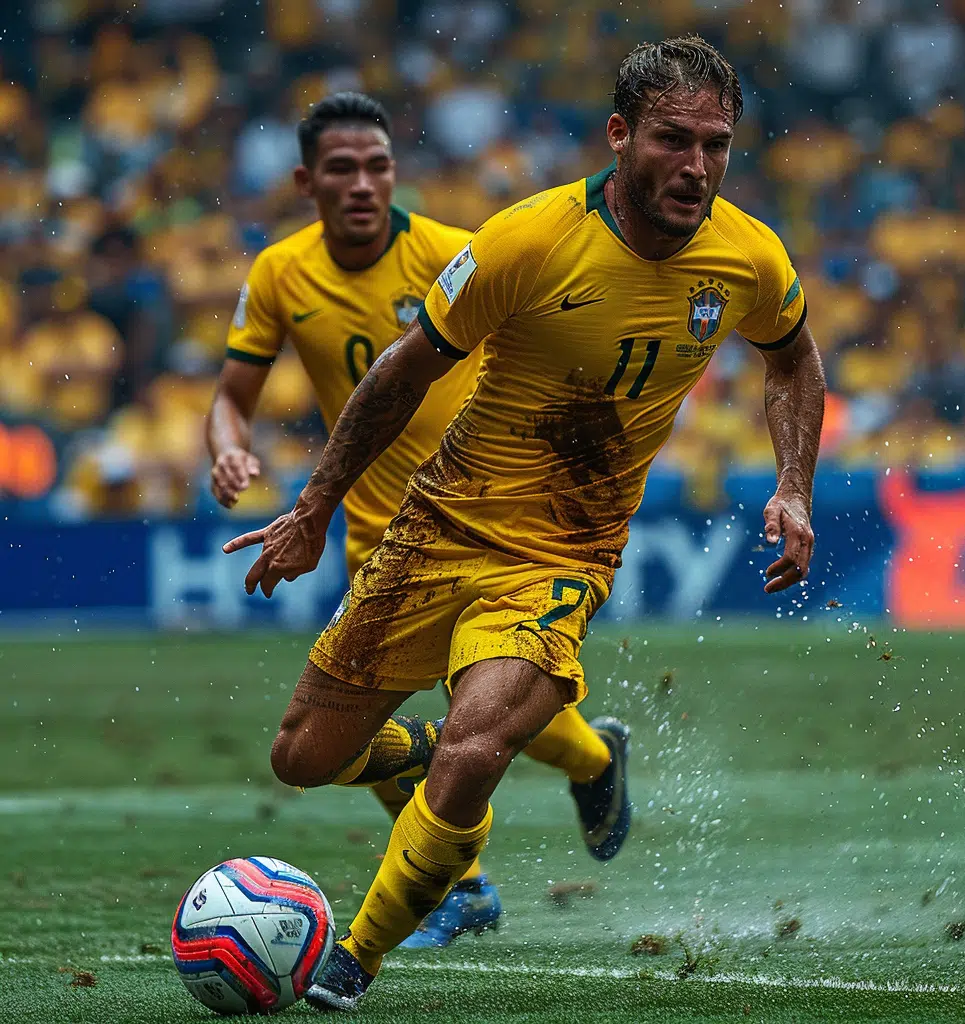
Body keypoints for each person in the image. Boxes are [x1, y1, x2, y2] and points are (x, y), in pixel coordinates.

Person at [226, 35, 825, 1009]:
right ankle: (529, 759)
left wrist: (792, 485)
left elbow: (793, 361)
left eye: (716, 145)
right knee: (303, 756)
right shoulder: (526, 239)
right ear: (619, 135)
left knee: (474, 748)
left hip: (561, 550)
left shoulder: (748, 256)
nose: (697, 167)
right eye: (674, 140)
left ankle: (358, 955)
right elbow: (400, 372)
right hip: (437, 527)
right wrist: (310, 509)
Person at [207, 92, 629, 950]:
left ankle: (593, 761)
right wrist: (229, 447)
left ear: (395, 172)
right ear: (305, 181)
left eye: (378, 166)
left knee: (493, 709)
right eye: (341, 168)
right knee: (363, 717)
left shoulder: (452, 254)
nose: (363, 184)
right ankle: (465, 886)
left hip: (487, 521)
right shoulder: (279, 273)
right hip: (373, 534)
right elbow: (230, 396)